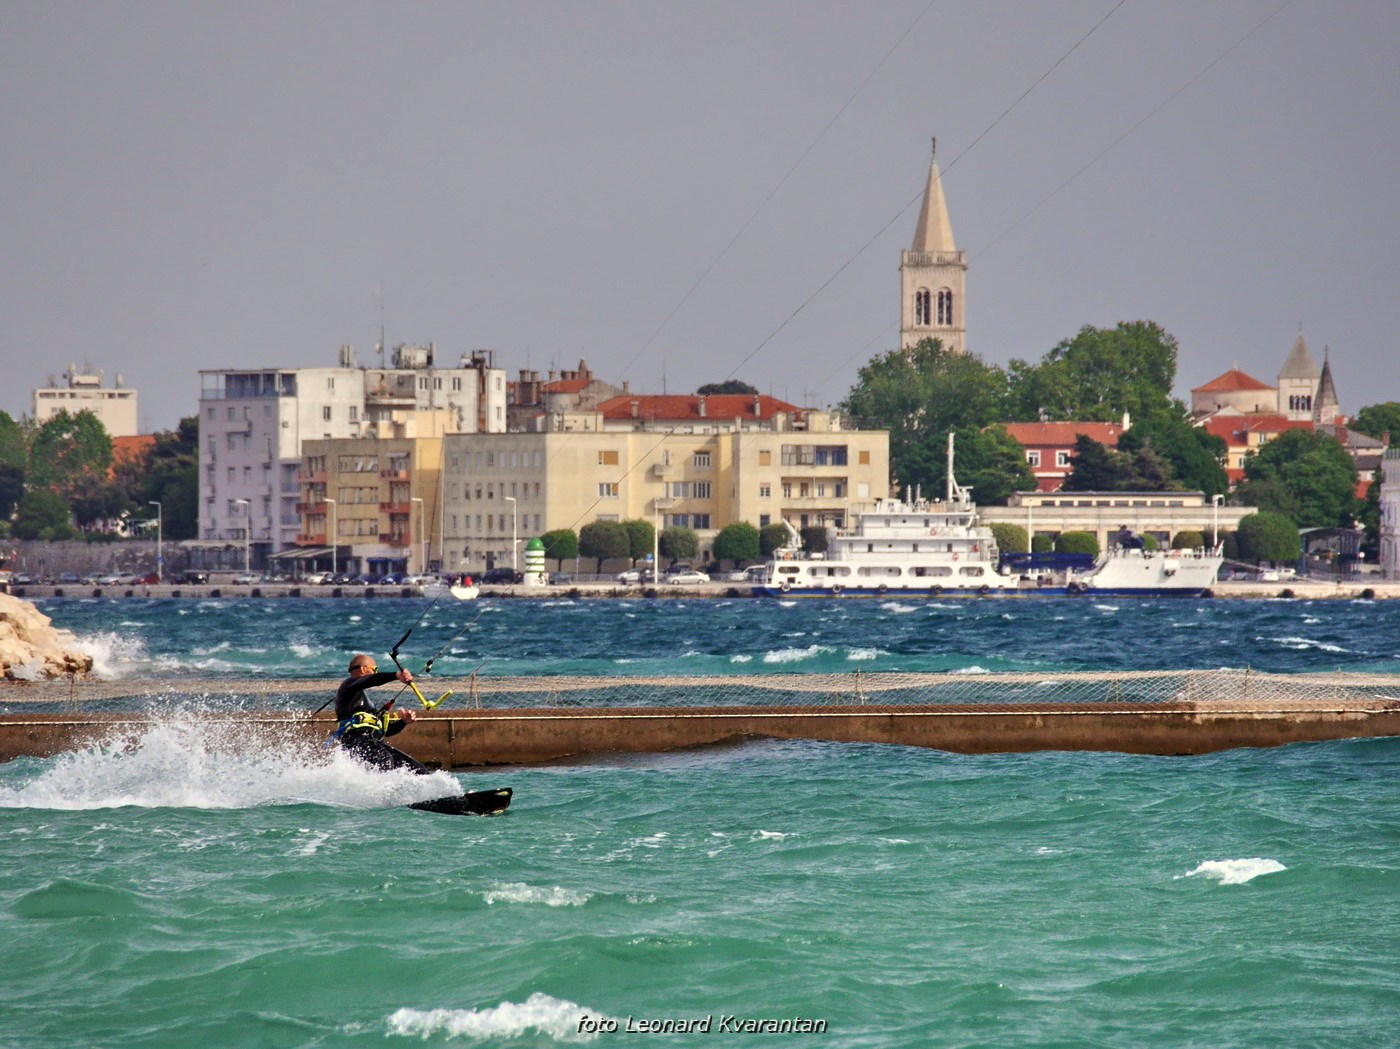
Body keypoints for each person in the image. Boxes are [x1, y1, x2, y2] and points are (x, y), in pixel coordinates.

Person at [331, 653, 428, 774]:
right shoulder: (347, 686)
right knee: (385, 760)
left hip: (373, 742)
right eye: (375, 669)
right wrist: (396, 675)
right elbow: (371, 680)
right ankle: (382, 792)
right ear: (362, 669)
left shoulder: (367, 704)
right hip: (354, 740)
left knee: (417, 769)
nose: (376, 673)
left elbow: (386, 731)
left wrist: (403, 722)